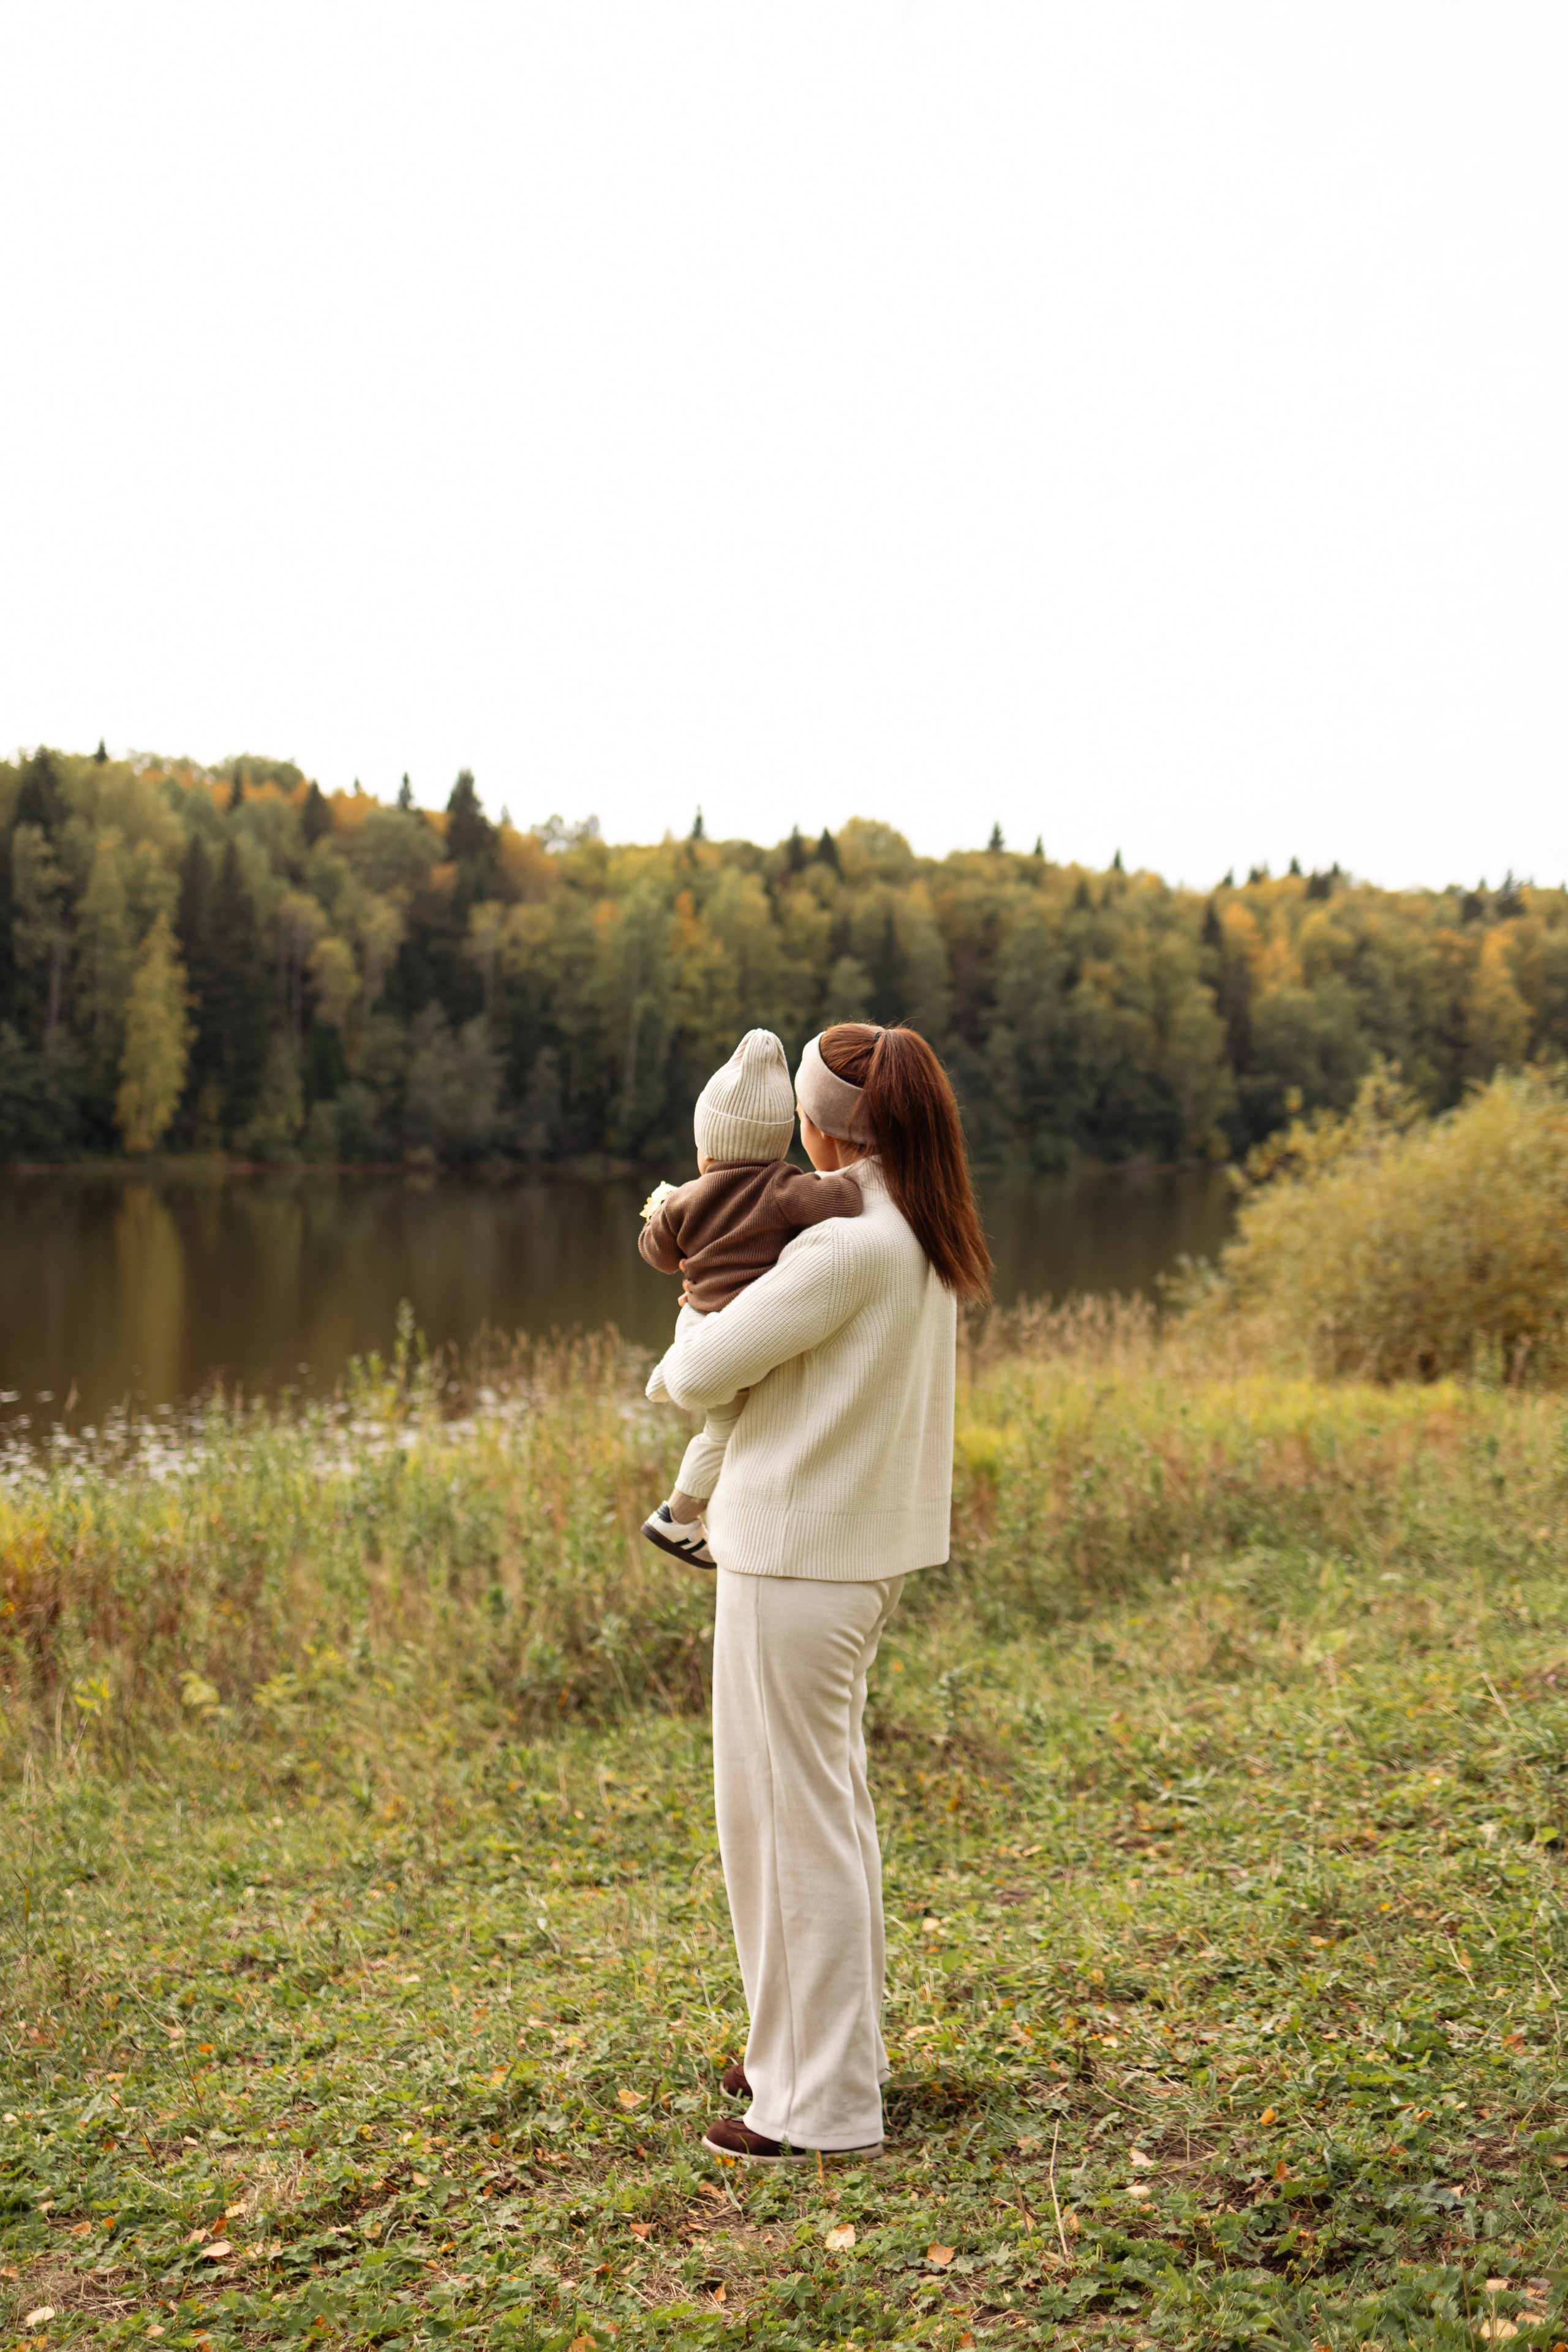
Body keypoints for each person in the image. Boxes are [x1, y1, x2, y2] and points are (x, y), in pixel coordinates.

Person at [644, 1022, 992, 2161]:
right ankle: (827, 2059)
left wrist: (701, 1266)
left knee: (786, 1829)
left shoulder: (846, 1249)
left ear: (823, 1128)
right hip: (846, 1561)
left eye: (800, 1119)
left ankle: (817, 2109)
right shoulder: (916, 1226)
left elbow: (694, 1376)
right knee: (825, 1816)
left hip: (797, 1561)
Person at [637, 1028, 865, 1569]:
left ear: (707, 1148)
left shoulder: (684, 1200)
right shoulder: (784, 1190)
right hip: (738, 1332)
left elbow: (658, 1257)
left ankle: (667, 1375)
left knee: (712, 1409)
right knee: (721, 1432)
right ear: (777, 1142)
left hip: (695, 1319)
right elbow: (849, 1198)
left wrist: (661, 1214)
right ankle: (677, 1516)